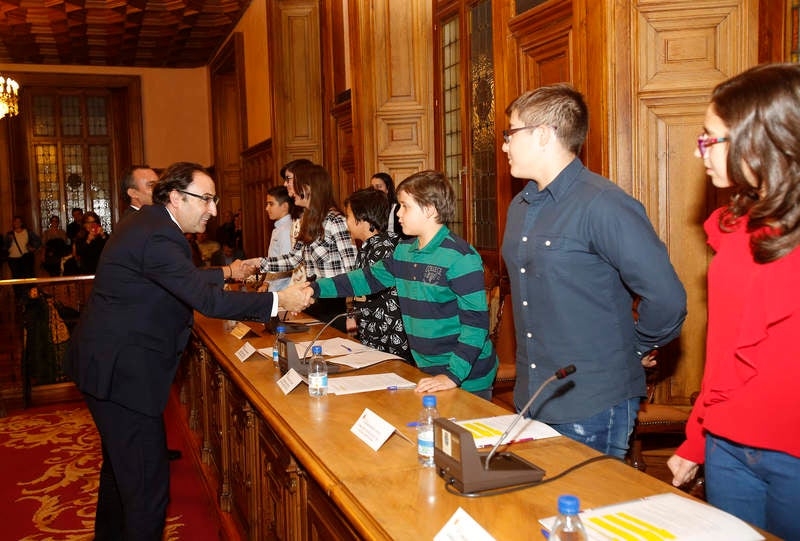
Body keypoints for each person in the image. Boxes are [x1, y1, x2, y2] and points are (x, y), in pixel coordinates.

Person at [63, 161, 312, 541]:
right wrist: (280, 300)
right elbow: (203, 300)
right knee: (147, 492)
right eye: (207, 199)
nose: (213, 210)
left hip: (108, 365)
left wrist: (228, 273)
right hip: (123, 374)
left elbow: (174, 276)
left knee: (120, 475)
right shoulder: (161, 236)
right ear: (177, 198)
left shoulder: (152, 224)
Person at [501, 84, 686, 459]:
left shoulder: (604, 204)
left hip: (593, 402)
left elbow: (666, 298)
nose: (504, 145)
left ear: (542, 135)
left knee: (585, 514)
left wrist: (634, 347)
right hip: (533, 396)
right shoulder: (520, 206)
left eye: (511, 133)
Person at [666, 63, 800, 540]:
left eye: (711, 138)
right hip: (727, 447)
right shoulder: (734, 231)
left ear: (761, 138)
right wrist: (697, 442)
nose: (700, 150)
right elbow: (722, 356)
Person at [308, 170, 498, 398]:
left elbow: (475, 326)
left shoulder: (461, 257)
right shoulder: (404, 251)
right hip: (427, 371)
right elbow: (365, 279)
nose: (397, 213)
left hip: (467, 378)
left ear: (429, 209)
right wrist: (315, 288)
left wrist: (452, 375)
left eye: (405, 206)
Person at [245, 164, 357, 331]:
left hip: (335, 305)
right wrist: (259, 263)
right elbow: (293, 259)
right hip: (314, 300)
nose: (285, 185)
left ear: (308, 185)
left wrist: (353, 313)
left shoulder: (335, 220)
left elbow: (353, 269)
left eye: (289, 179)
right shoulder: (307, 220)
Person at [343, 188, 411, 362]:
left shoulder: (383, 250)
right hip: (373, 339)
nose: (346, 223)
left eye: (349, 217)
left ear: (362, 219)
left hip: (390, 344)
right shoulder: (369, 247)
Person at [264, 185, 294, 292]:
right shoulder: (279, 227)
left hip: (282, 290)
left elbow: (285, 266)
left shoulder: (286, 230)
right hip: (276, 289)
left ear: (285, 206)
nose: (267, 208)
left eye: (271, 204)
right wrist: (266, 283)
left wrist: (273, 292)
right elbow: (273, 259)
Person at [72, 211, 108, 275]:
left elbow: (111, 250)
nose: (91, 225)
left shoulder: (103, 235)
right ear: (84, 224)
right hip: (87, 270)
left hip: (103, 269)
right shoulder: (80, 236)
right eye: (88, 222)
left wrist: (103, 236)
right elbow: (78, 253)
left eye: (94, 222)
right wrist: (88, 241)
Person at [371, 172, 403, 236]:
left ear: (388, 188)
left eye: (379, 186)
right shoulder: (371, 209)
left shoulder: (397, 208)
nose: (375, 190)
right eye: (372, 187)